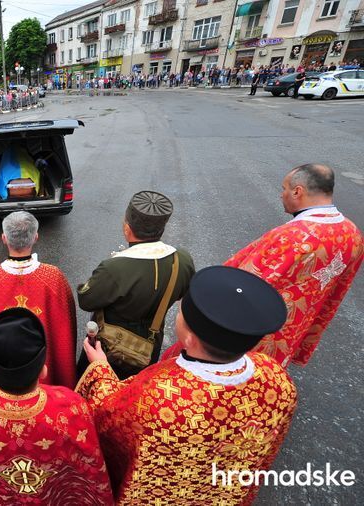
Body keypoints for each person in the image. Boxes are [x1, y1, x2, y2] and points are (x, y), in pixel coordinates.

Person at [79, 266, 297, 504]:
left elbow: (107, 416)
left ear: (189, 338)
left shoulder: (160, 392)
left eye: (181, 312)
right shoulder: (278, 380)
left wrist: (100, 367)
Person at [166, 164, 362, 367]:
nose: (281, 194)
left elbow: (241, 281)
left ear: (298, 191)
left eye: (284, 188)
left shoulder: (292, 237)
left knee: (226, 366)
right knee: (265, 372)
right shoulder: (352, 233)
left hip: (255, 323)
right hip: (296, 321)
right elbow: (337, 292)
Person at [0, 308, 114, 504]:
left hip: (0, 495)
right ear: (43, 370)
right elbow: (90, 462)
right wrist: (101, 368)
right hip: (55, 495)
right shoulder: (71, 408)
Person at [77, 191, 195, 379]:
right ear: (162, 229)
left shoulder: (114, 267)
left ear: (127, 228)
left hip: (110, 347)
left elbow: (86, 300)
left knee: (94, 387)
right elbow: (185, 293)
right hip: (149, 346)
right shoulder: (182, 259)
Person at [0, 211, 77, 388]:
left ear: (3, 238)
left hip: (3, 360)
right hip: (41, 364)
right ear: (36, 237)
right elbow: (65, 324)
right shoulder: (53, 276)